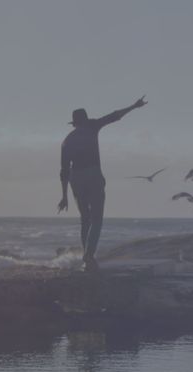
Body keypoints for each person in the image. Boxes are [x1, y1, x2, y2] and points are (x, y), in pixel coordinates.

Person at [58, 96, 147, 271]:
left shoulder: (67, 141)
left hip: (76, 178)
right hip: (92, 174)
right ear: (85, 120)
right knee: (97, 218)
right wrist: (134, 106)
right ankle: (89, 255)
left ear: (74, 123)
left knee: (85, 219)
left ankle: (87, 258)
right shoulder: (92, 127)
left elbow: (64, 171)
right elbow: (114, 116)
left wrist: (64, 196)